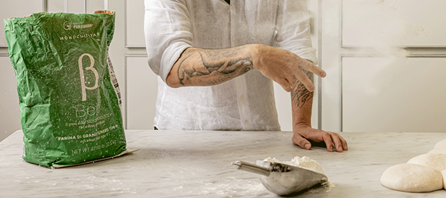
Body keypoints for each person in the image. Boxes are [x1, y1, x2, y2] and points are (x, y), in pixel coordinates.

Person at [144, 0, 348, 152]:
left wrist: (301, 124)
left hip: (262, 134)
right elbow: (172, 64)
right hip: (186, 142)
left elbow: (298, 51)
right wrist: (254, 55)